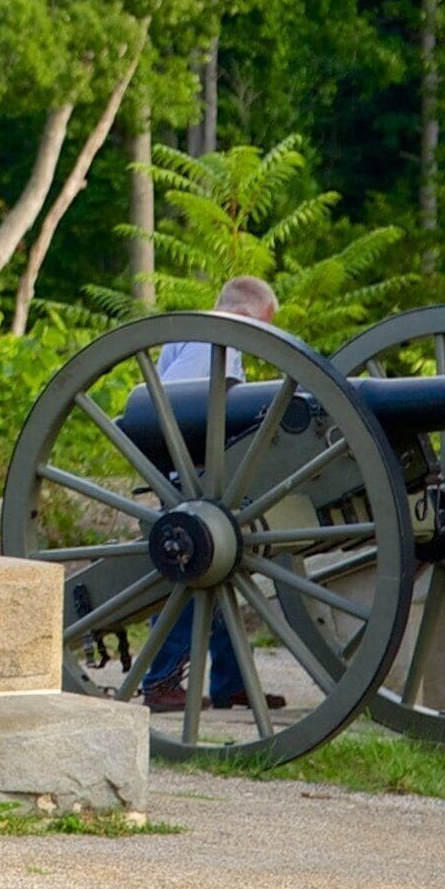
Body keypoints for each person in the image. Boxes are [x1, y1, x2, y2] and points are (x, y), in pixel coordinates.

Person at [140, 275, 280, 714]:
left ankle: (231, 682)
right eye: (260, 325)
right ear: (240, 316)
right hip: (194, 478)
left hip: (197, 476)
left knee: (221, 575)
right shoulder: (213, 344)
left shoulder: (198, 336)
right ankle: (161, 681)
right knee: (194, 568)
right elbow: (180, 407)